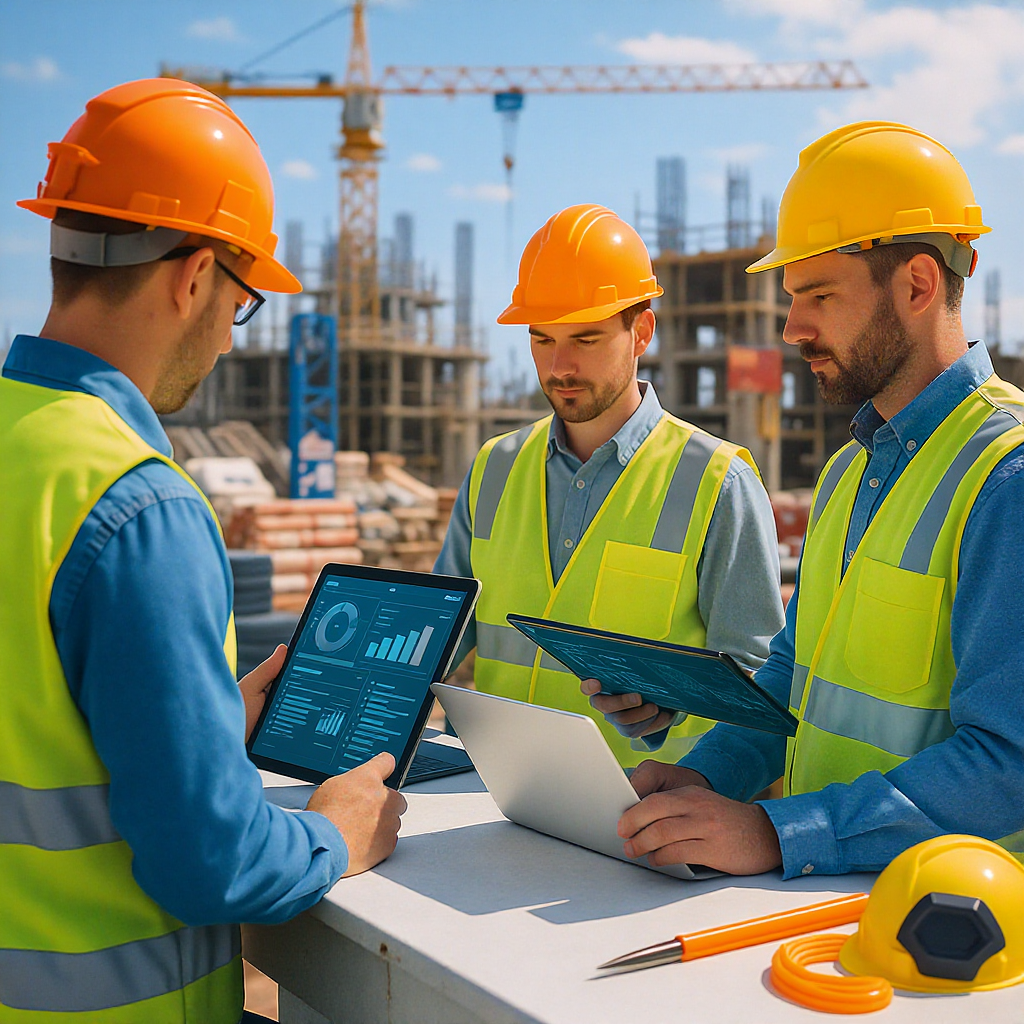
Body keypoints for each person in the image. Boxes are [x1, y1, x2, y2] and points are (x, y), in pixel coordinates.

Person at [0, 79, 405, 1022]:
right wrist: (336, 835)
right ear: (192, 277)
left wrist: (201, 717)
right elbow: (210, 861)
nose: (230, 333)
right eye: (242, 298)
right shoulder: (136, 507)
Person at [588, 121, 1024, 878]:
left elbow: (1009, 763)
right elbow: (795, 678)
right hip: (823, 910)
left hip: (953, 947)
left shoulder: (1006, 477)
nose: (792, 328)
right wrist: (704, 776)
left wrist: (784, 833)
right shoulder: (851, 470)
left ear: (918, 285)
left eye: (818, 294)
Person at [436, 204, 784, 767]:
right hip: (492, 797)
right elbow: (440, 636)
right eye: (543, 340)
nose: (560, 366)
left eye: (587, 339)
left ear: (641, 330)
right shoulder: (494, 467)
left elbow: (756, 675)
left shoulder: (718, 481)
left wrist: (675, 707)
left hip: (639, 814)